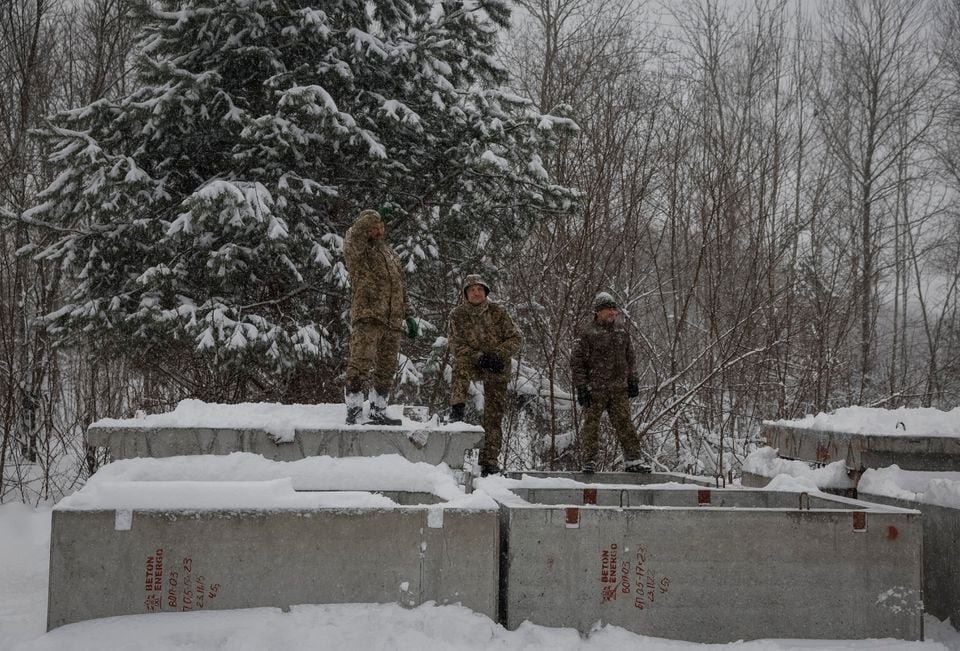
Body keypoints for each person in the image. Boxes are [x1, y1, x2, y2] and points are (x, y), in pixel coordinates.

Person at [342, 207, 419, 425]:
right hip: (369, 316)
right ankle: (354, 409)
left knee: (386, 368)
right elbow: (354, 235)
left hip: (393, 320)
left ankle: (378, 409)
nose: (378, 230)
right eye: (373, 226)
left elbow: (400, 287)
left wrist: (409, 314)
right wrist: (371, 216)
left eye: (381, 225)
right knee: (360, 363)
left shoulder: (390, 254)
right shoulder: (359, 250)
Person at [447, 274, 522, 476]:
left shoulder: (498, 312)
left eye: (480, 289)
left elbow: (516, 338)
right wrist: (478, 356)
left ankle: (490, 459)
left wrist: (497, 354)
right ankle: (457, 409)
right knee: (459, 366)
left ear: (486, 292)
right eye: (472, 290)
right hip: (473, 361)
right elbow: (455, 345)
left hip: (497, 364)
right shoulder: (457, 315)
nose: (476, 293)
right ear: (466, 294)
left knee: (494, 415)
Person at [570, 292, 647, 473]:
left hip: (619, 389)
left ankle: (634, 460)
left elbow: (631, 359)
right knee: (591, 426)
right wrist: (581, 387)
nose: (612, 313)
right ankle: (589, 461)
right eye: (608, 310)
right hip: (594, 389)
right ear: (597, 312)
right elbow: (577, 363)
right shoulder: (587, 334)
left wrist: (633, 380)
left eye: (614, 309)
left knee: (625, 424)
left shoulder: (622, 333)